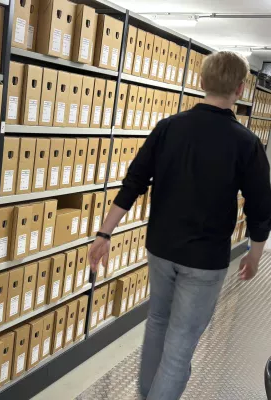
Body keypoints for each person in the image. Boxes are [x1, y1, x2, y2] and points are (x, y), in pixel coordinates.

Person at [88, 51, 271, 400]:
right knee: (180, 345)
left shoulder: (168, 128)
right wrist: (255, 252)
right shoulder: (246, 144)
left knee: (157, 324)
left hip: (161, 249)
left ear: (201, 83)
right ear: (241, 89)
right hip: (205, 260)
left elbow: (134, 181)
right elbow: (261, 206)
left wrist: (104, 233)